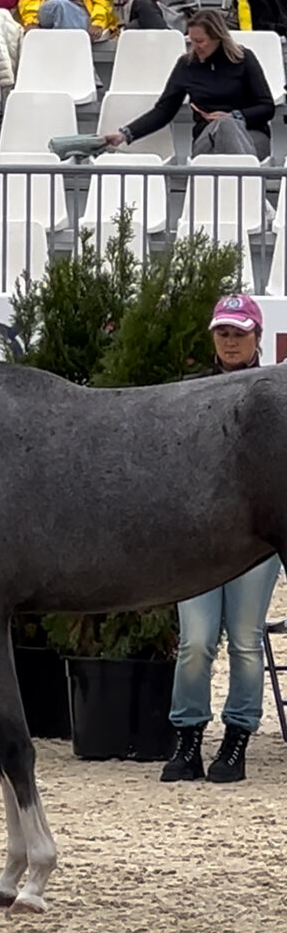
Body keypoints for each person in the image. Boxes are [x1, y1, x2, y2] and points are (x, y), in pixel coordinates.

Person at [161, 295, 281, 785]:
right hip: (197, 535)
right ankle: (187, 736)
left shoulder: (275, 394)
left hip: (256, 533)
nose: (230, 341)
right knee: (195, 640)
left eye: (239, 333)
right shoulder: (188, 394)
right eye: (223, 333)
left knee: (246, 641)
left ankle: (237, 738)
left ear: (257, 336)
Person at [104, 8, 275, 159]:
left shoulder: (244, 59)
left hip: (251, 134)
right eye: (192, 41)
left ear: (218, 38)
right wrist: (124, 134)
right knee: (223, 128)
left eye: (200, 41)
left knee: (227, 125)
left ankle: (238, 184)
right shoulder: (187, 65)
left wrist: (234, 117)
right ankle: (246, 187)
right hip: (207, 138)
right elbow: (164, 110)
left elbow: (267, 107)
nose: (195, 46)